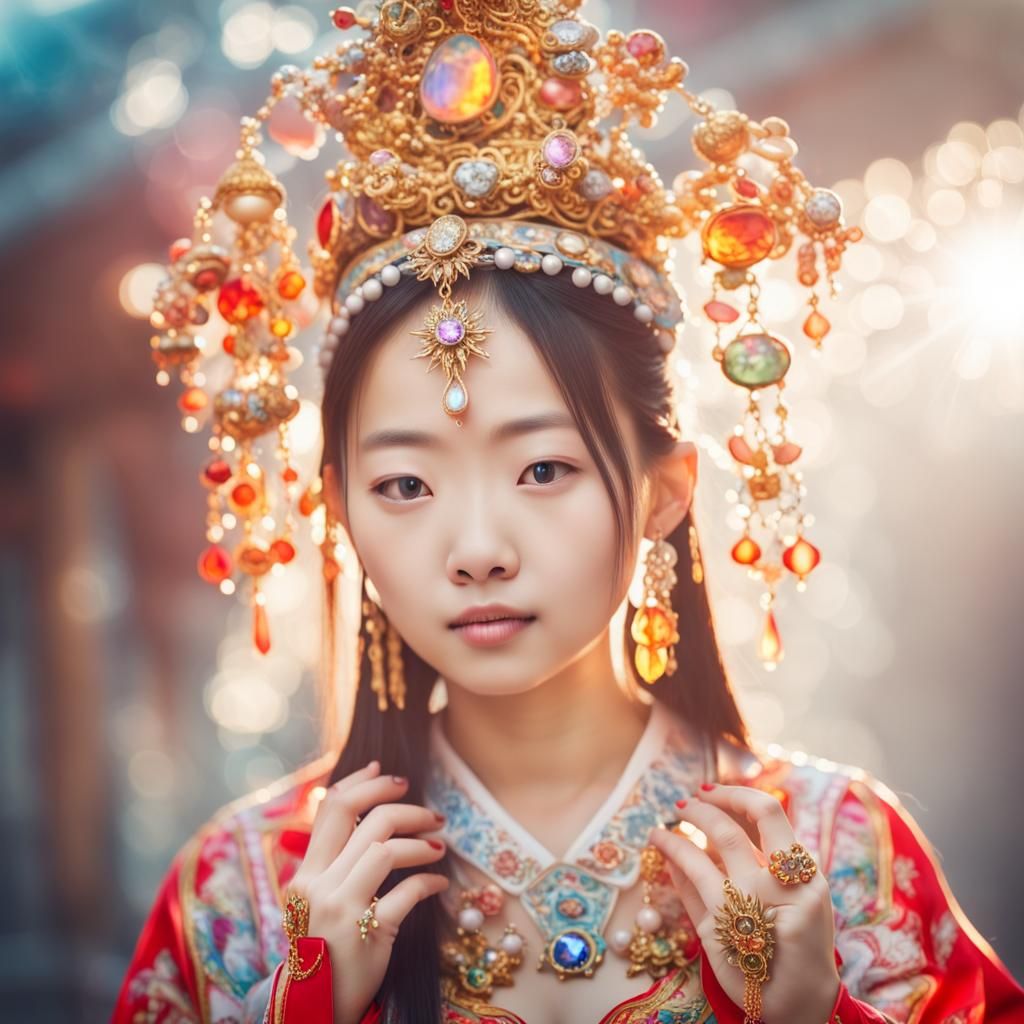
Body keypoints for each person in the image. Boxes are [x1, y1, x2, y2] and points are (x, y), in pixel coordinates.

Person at [114, 3, 1024, 1023]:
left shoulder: (838, 853)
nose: (475, 550)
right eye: (404, 485)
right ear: (338, 513)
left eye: (542, 469)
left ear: (665, 491)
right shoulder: (242, 893)